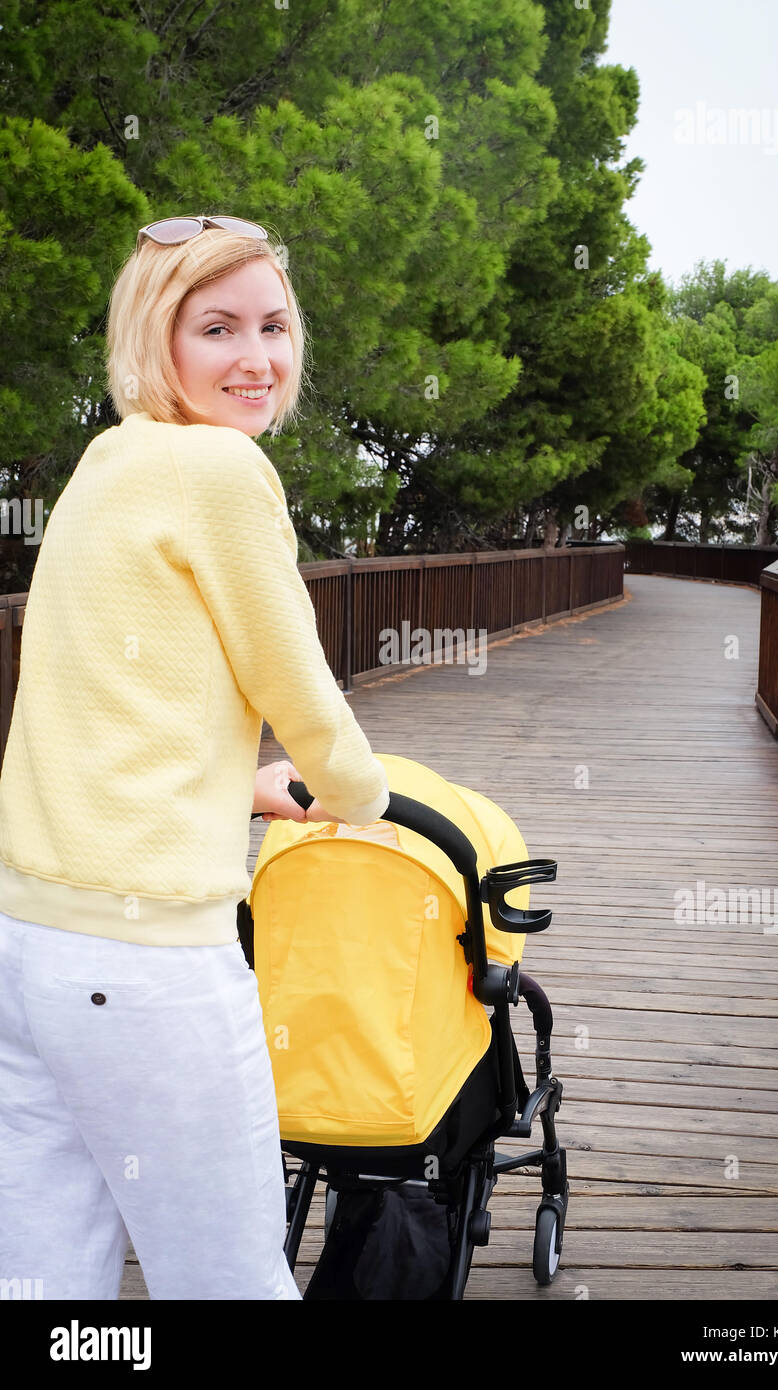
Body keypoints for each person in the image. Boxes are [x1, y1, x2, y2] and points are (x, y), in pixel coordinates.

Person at [0, 214, 389, 1301]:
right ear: (153, 338)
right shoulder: (220, 469)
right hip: (148, 964)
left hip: (31, 943)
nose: (256, 357)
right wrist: (362, 790)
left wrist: (244, 789)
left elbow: (110, 694)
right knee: (226, 1277)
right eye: (215, 328)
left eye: (273, 325)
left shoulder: (109, 459)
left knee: (40, 1273)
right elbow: (294, 682)